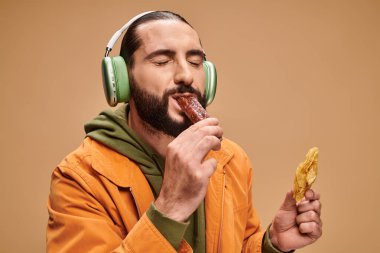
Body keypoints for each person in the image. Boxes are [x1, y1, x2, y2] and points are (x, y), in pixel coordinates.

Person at [46, 11, 322, 253]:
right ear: (122, 80)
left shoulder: (232, 160)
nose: (186, 75)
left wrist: (271, 244)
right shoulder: (80, 178)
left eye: (194, 61)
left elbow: (239, 244)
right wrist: (169, 209)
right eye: (162, 61)